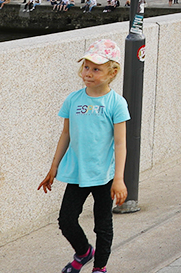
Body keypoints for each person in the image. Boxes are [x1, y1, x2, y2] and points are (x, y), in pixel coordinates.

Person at [38, 38, 129, 273]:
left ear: (112, 72)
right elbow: (65, 134)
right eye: (86, 67)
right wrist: (53, 167)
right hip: (77, 173)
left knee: (103, 226)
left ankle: (100, 267)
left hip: (104, 175)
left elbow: (120, 143)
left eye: (96, 69)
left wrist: (118, 179)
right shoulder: (73, 99)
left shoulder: (116, 104)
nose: (88, 73)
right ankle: (84, 252)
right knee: (66, 220)